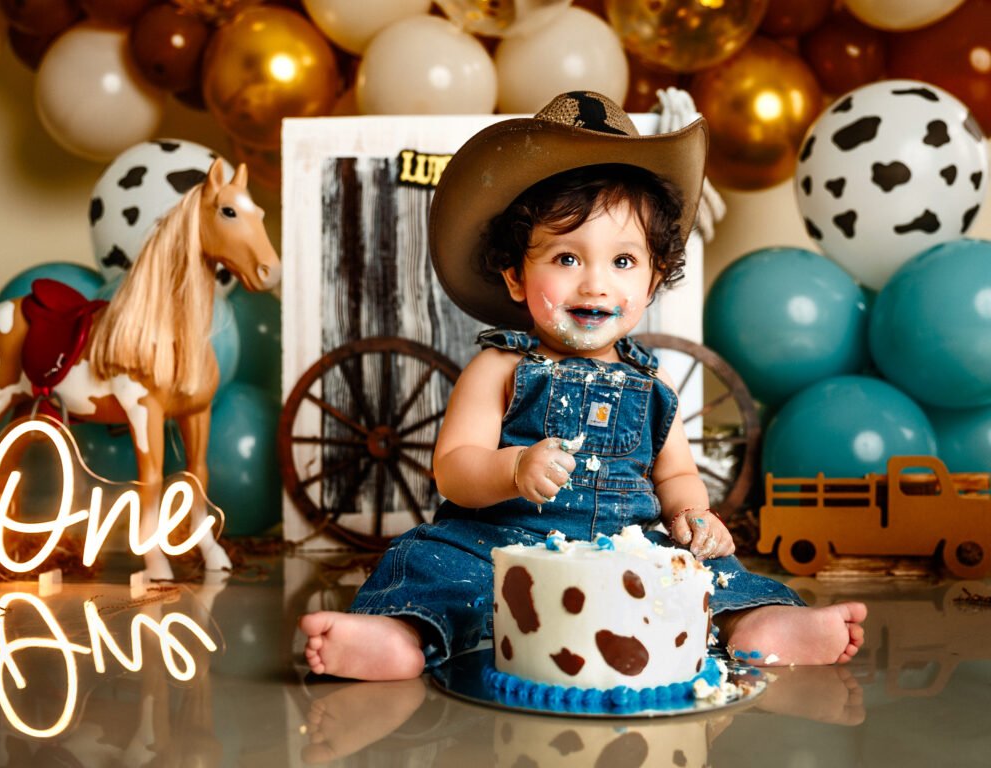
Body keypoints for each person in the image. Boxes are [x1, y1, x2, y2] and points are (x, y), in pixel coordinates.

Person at [300, 91, 866, 682]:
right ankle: (400, 636)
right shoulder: (500, 366)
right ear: (517, 276)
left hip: (629, 547)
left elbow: (674, 473)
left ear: (652, 282)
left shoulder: (651, 379)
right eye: (567, 258)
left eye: (623, 261)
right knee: (433, 567)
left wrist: (693, 514)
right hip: (498, 542)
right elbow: (453, 468)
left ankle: (757, 627)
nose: (595, 284)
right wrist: (513, 468)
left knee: (708, 575)